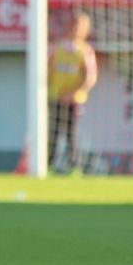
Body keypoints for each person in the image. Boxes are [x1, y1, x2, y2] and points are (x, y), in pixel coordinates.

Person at [48, 11, 97, 173]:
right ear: (67, 26)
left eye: (80, 27)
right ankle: (47, 165)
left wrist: (73, 93)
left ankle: (73, 167)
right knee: (52, 133)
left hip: (74, 100)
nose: (76, 29)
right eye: (73, 25)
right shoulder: (57, 48)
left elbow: (89, 78)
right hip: (55, 97)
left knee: (71, 134)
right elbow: (47, 71)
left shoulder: (85, 51)